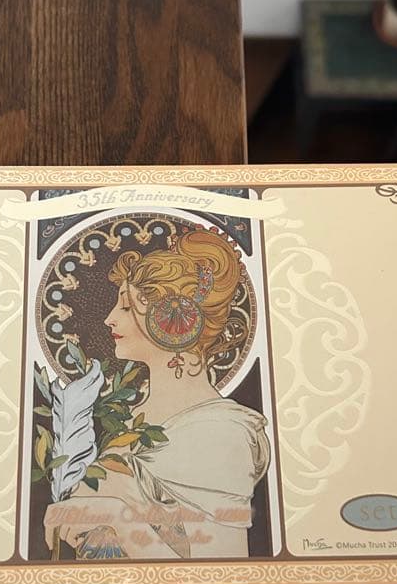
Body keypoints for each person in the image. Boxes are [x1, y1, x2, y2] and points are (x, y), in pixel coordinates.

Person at [44, 227, 270, 560]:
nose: (108, 319)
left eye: (125, 307)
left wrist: (113, 515)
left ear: (170, 322)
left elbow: (221, 568)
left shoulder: (221, 431)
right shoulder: (134, 417)